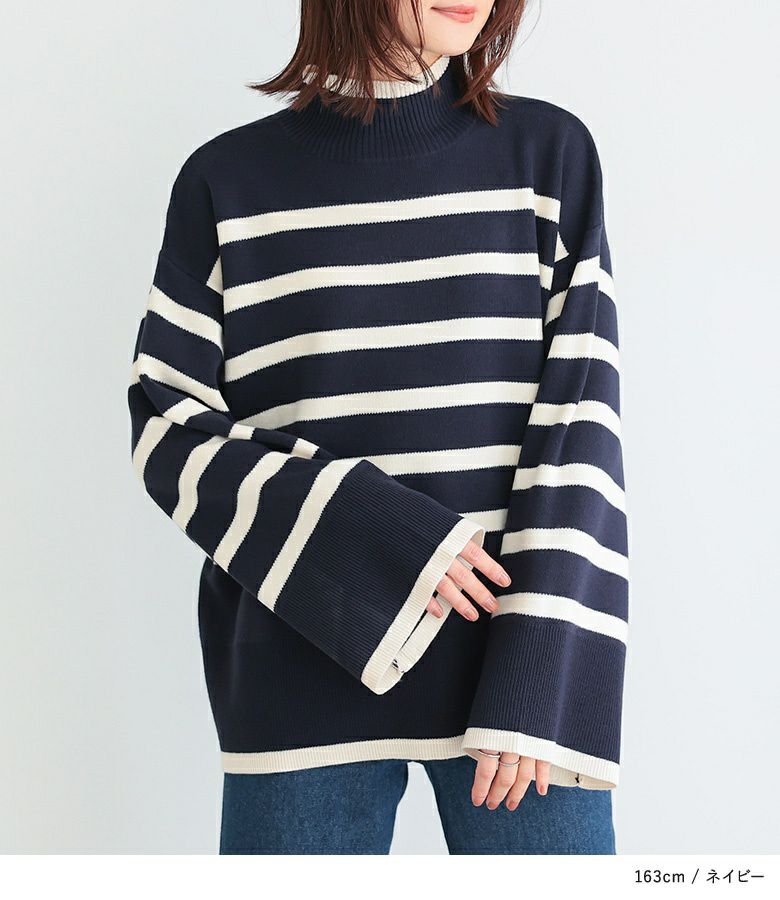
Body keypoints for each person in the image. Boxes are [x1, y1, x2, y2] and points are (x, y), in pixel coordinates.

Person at [128, 0, 628, 855]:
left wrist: (542, 673)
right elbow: (167, 428)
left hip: (512, 676)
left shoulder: (547, 155)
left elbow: (581, 427)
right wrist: (386, 537)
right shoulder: (226, 181)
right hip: (297, 674)